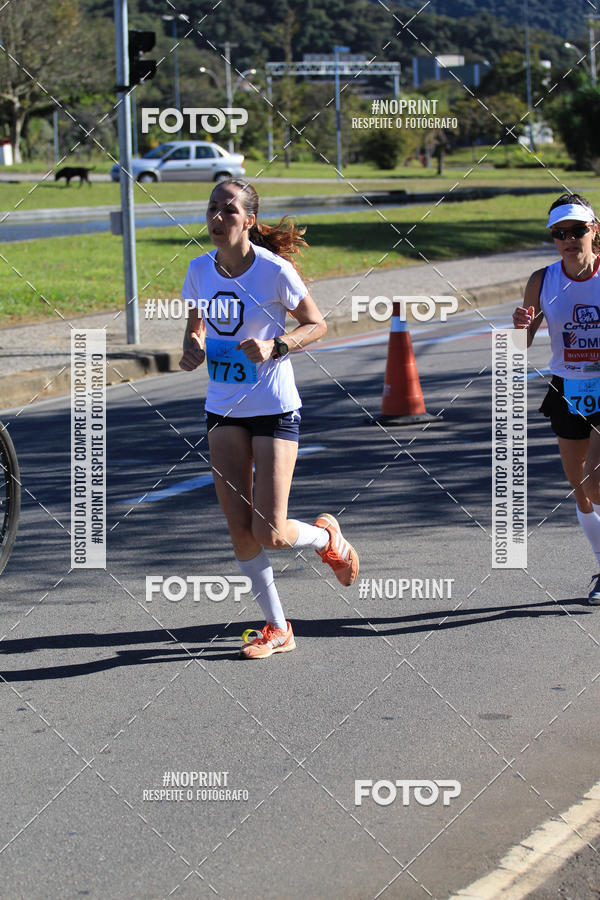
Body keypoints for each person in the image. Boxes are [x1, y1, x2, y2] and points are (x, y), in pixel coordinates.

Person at [179, 179, 360, 657]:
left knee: (271, 531)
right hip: (222, 408)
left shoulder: (274, 271)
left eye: (229, 211)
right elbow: (196, 325)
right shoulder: (199, 270)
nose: (218, 218)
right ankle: (277, 627)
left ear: (249, 221)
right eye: (212, 208)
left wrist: (276, 345)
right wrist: (192, 347)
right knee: (238, 525)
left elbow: (318, 324)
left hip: (274, 407)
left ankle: (326, 539)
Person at [513, 192, 600, 604]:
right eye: (559, 233)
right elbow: (520, 345)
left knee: (596, 480)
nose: (569, 239)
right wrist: (520, 327)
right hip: (567, 387)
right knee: (580, 487)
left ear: (593, 231)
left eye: (577, 230)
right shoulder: (541, 280)